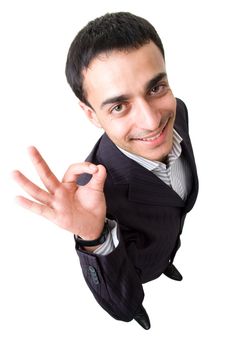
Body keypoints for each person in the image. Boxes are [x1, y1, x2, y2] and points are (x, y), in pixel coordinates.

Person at [13, 12, 199, 330]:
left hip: (164, 245)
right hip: (132, 275)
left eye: (156, 88)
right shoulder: (92, 193)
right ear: (91, 115)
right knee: (130, 304)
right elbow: (118, 304)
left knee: (165, 250)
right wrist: (93, 236)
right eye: (118, 106)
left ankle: (167, 263)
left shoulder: (177, 111)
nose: (152, 121)